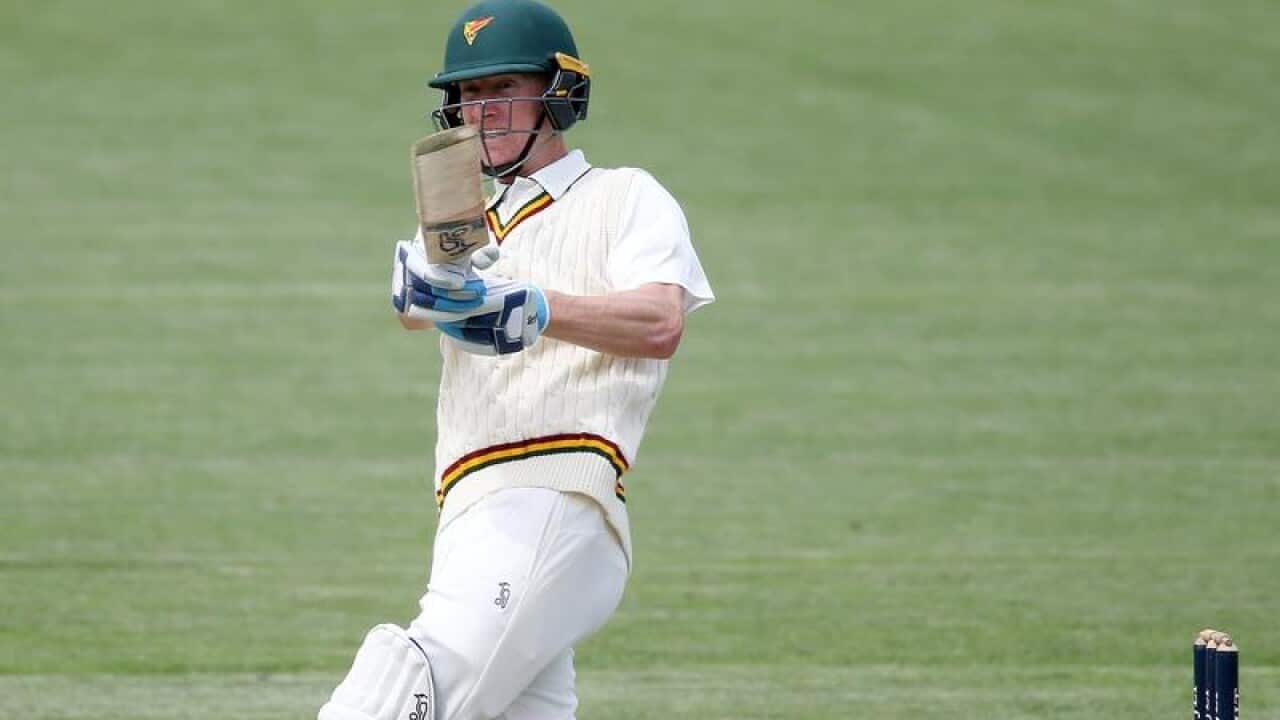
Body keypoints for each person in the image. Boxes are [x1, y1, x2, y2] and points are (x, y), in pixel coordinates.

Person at [318, 0, 713, 718]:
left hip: (554, 494)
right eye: (470, 93)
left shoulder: (626, 195)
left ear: (559, 92)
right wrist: (427, 284)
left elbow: (660, 321)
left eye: (504, 88)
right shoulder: (467, 222)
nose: (484, 111)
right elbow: (415, 311)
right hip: (470, 507)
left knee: (396, 694)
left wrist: (538, 308)